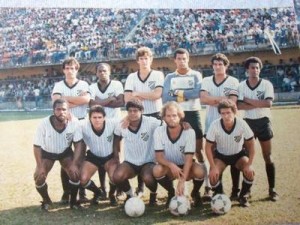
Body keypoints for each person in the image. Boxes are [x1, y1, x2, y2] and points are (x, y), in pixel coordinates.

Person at [162, 48, 211, 200]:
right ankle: (182, 185)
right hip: (176, 116)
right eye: (179, 59)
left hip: (193, 114)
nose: (182, 61)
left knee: (198, 151)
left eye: (184, 58)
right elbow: (165, 97)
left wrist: (177, 93)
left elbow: (197, 93)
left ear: (188, 59)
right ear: (174, 60)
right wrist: (184, 96)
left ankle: (207, 185)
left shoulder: (196, 74)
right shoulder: (170, 77)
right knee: (179, 150)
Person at [124, 46, 164, 196]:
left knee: (155, 150)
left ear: (151, 59)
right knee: (139, 150)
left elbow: (157, 95)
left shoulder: (158, 75)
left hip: (154, 115)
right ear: (137, 61)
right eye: (141, 58)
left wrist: (137, 94)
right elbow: (128, 99)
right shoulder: (131, 77)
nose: (144, 61)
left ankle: (154, 187)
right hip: (136, 117)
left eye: (146, 58)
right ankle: (140, 187)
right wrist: (145, 95)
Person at [238, 56, 279, 201]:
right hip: (248, 122)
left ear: (259, 69)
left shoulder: (266, 84)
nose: (254, 70)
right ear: (247, 70)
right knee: (246, 158)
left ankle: (272, 189)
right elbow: (238, 106)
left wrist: (248, 100)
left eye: (257, 68)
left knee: (267, 156)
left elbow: (268, 104)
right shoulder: (241, 85)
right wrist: (258, 103)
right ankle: (247, 191)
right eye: (252, 68)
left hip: (263, 121)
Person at [200, 53, 240, 200]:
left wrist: (214, 100)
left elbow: (232, 103)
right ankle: (217, 190)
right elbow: (203, 99)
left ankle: (236, 190)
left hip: (230, 124)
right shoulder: (206, 80)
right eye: (215, 64)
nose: (217, 67)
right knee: (214, 158)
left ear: (226, 65)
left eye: (220, 64)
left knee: (235, 156)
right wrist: (222, 99)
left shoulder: (233, 81)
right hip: (211, 124)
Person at [52, 57, 90, 203]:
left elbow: (86, 100)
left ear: (77, 69)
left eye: (72, 68)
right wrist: (75, 100)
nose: (69, 70)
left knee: (79, 158)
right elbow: (56, 102)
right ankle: (66, 192)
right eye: (67, 68)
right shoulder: (58, 85)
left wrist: (65, 100)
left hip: (80, 123)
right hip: (65, 125)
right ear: (63, 70)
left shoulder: (84, 84)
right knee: (65, 159)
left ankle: (82, 192)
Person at [153, 101, 205, 207]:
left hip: (186, 165)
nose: (171, 118)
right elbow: (159, 157)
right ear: (163, 117)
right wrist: (171, 165)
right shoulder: (158, 131)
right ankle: (171, 192)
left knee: (200, 170)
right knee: (157, 170)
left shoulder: (189, 132)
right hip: (169, 167)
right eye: (168, 116)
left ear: (180, 116)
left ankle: (195, 193)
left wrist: (182, 181)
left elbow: (189, 159)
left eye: (174, 115)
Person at [33, 99, 82, 211]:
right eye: (58, 109)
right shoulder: (44, 123)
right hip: (48, 153)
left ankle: (73, 202)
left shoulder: (74, 123)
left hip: (65, 152)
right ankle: (46, 200)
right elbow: (36, 146)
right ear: (53, 111)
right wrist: (39, 165)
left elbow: (78, 144)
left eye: (64, 109)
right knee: (38, 177)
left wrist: (75, 163)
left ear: (68, 111)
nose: (61, 112)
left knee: (75, 173)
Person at [205, 99, 255, 207]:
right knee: (213, 176)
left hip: (238, 155)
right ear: (220, 114)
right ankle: (220, 195)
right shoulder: (215, 125)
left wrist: (249, 164)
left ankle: (243, 196)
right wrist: (213, 167)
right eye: (223, 113)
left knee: (250, 172)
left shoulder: (241, 123)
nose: (226, 116)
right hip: (221, 156)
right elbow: (208, 147)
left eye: (228, 113)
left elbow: (251, 144)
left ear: (234, 111)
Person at [113, 99, 162, 206]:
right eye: (130, 111)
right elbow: (116, 140)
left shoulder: (151, 122)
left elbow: (166, 121)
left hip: (148, 161)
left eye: (135, 111)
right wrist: (117, 158)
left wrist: (183, 123)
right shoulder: (122, 124)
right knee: (117, 176)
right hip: (130, 162)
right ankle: (130, 195)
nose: (132, 114)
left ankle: (153, 195)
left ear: (142, 111)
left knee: (148, 178)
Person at [89, 63, 125, 199]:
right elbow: (91, 104)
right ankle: (103, 187)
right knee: (101, 157)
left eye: (105, 70)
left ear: (109, 72)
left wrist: (100, 101)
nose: (102, 73)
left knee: (117, 155)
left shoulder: (116, 84)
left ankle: (119, 186)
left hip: (115, 125)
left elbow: (120, 102)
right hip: (99, 125)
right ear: (96, 73)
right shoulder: (92, 87)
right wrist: (109, 99)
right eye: (100, 71)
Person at [79, 105, 120, 206]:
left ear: (104, 117)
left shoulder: (113, 123)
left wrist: (117, 155)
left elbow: (126, 120)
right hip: (93, 156)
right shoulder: (83, 125)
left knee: (115, 177)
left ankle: (111, 195)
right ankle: (97, 192)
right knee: (82, 178)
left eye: (100, 117)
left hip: (109, 156)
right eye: (94, 117)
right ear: (89, 118)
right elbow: (71, 122)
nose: (97, 120)